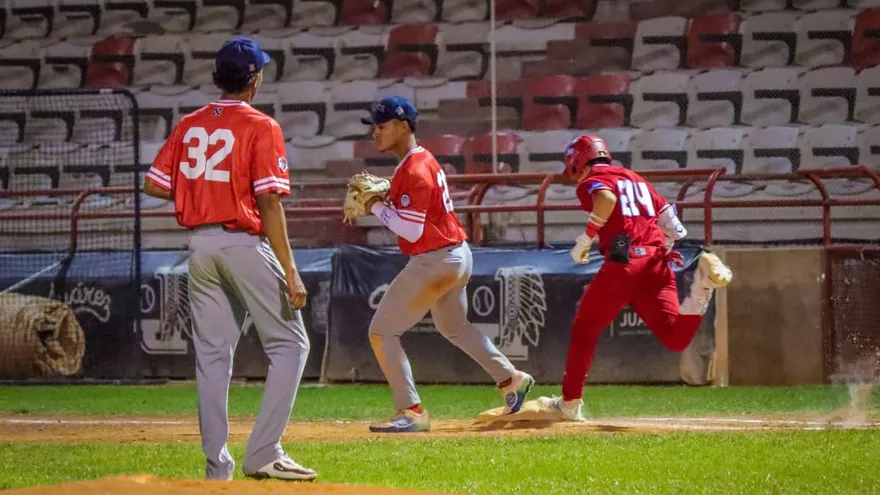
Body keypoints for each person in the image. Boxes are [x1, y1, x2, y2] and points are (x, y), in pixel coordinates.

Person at [142, 36, 316, 481]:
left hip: (199, 245)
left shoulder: (189, 124)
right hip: (242, 241)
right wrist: (292, 271)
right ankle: (264, 452)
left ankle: (216, 469)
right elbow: (271, 204)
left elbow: (155, 184)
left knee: (213, 357)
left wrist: (203, 192)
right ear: (254, 78)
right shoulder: (262, 125)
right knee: (291, 345)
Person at [357, 96, 535, 433]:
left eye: (381, 126)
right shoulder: (420, 161)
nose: (375, 133)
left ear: (403, 126)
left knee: (381, 332)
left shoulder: (414, 168)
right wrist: (384, 201)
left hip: (435, 259)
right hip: (456, 254)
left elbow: (411, 228)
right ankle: (511, 379)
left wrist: (376, 209)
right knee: (454, 327)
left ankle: (411, 411)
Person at [541, 135, 733, 421]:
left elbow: (606, 198)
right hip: (657, 261)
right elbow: (676, 228)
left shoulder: (592, 179)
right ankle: (702, 287)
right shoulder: (637, 179)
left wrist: (585, 239)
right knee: (675, 338)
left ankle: (570, 403)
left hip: (624, 263)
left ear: (577, 160)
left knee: (585, 329)